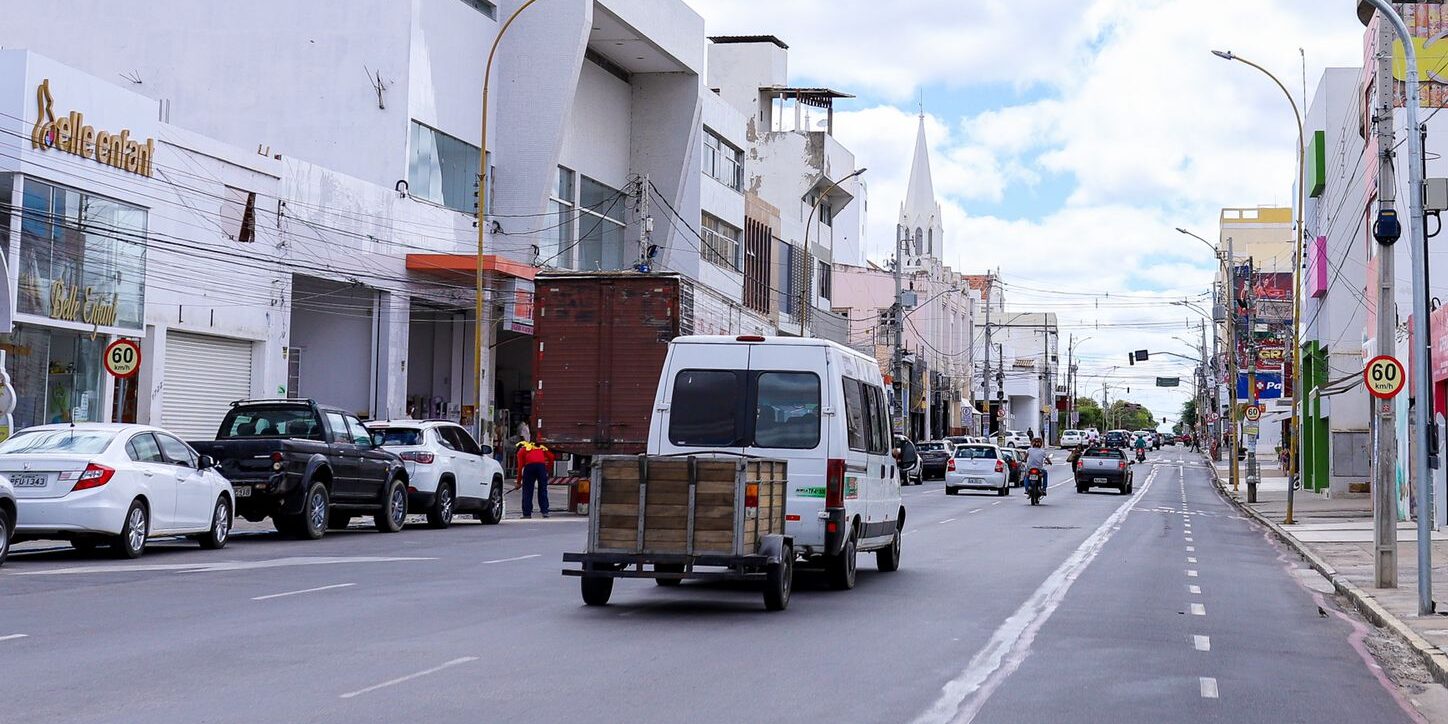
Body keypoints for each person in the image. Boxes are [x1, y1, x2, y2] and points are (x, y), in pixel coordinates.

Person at [515, 440, 555, 519]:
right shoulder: (540, 449)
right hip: (541, 467)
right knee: (543, 490)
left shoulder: (521, 451)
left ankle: (527, 513)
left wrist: (518, 482)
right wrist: (547, 469)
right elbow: (551, 457)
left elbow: (520, 468)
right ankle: (545, 511)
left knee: (527, 491)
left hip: (529, 467)